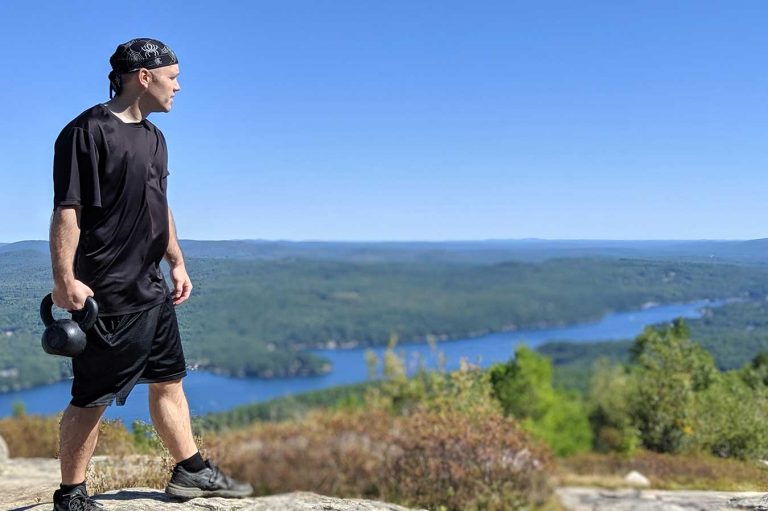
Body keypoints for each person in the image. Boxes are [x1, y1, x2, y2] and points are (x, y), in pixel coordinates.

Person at [49, 38, 253, 510]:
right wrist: (64, 279)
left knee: (168, 380)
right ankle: (71, 494)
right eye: (173, 77)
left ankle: (190, 470)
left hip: (152, 287)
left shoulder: (155, 138)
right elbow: (68, 210)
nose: (178, 87)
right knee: (92, 396)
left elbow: (159, 204)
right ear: (144, 77)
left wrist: (176, 260)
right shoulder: (87, 132)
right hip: (108, 292)